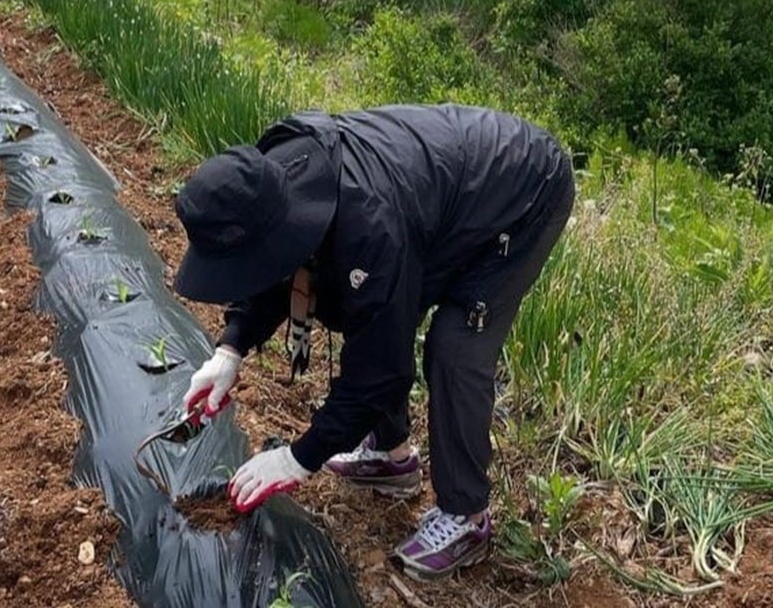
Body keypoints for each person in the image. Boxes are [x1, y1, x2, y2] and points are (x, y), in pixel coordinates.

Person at [174, 104, 575, 580]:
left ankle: (467, 516)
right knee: (371, 305)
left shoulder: (369, 225)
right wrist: (230, 348)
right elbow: (273, 266)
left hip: (522, 190)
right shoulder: (275, 180)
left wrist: (298, 458)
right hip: (437, 194)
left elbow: (380, 370)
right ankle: (390, 456)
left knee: (455, 344)